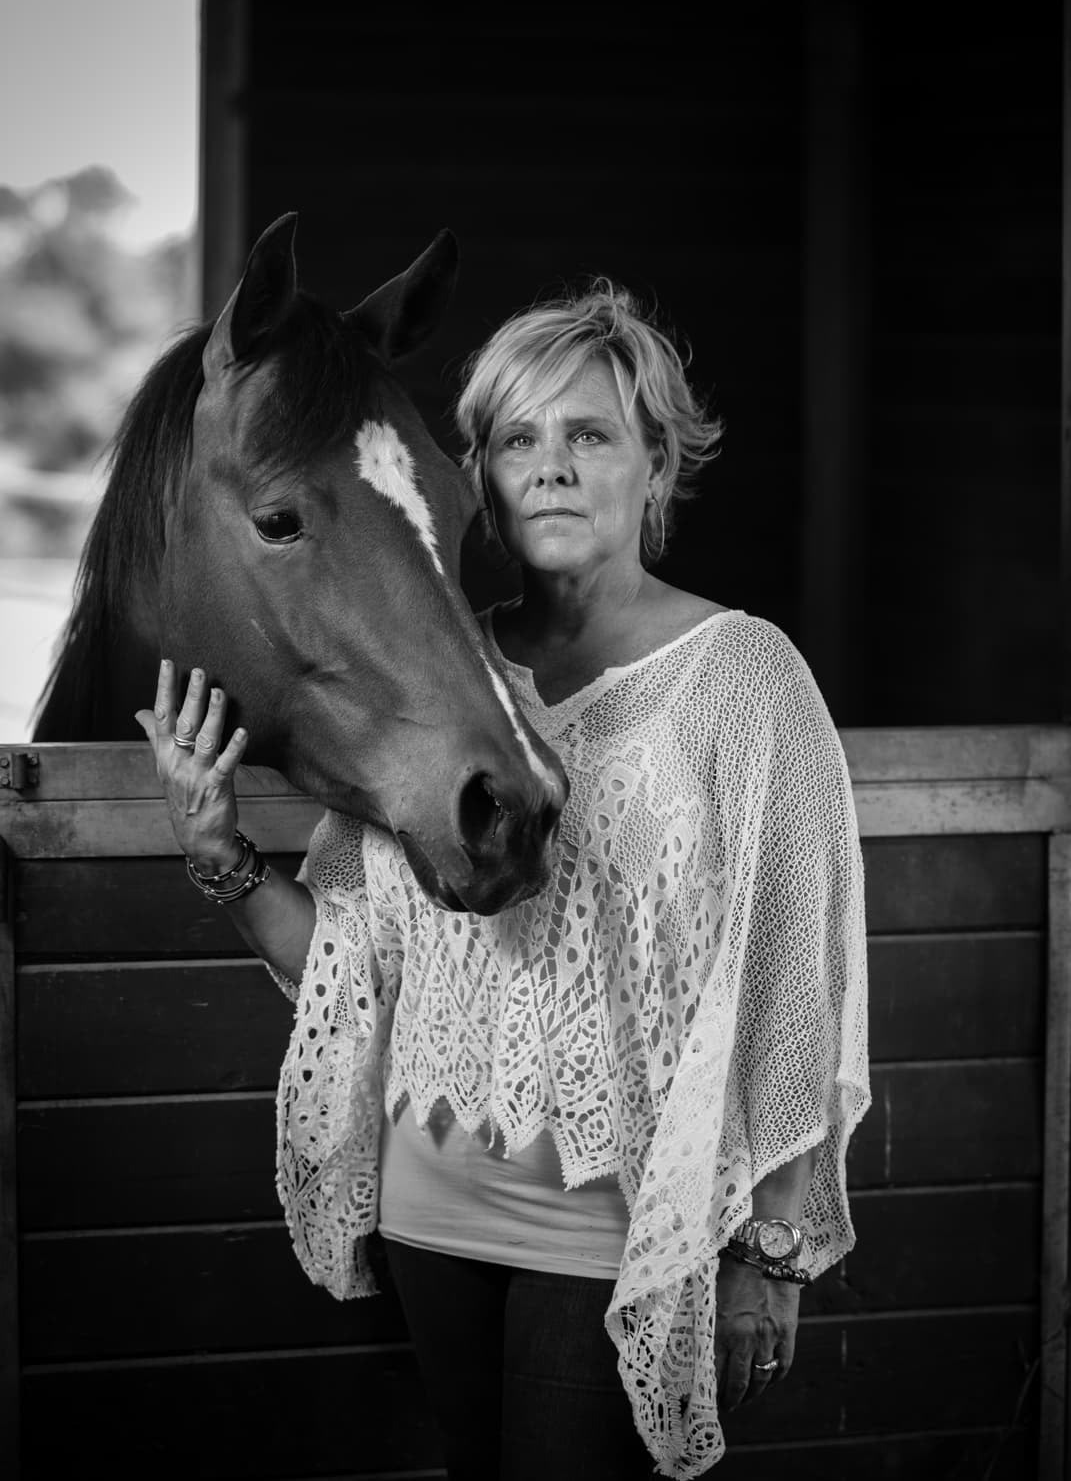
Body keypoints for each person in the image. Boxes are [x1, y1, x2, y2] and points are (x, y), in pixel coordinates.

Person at [136, 280, 870, 1481]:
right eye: (518, 440)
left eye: (591, 436)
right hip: (429, 1214)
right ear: (478, 473)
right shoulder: (435, 671)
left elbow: (800, 974)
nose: (554, 469)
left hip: (616, 1231)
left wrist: (770, 1253)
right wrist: (216, 846)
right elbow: (348, 959)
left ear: (657, 464)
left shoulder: (747, 678)